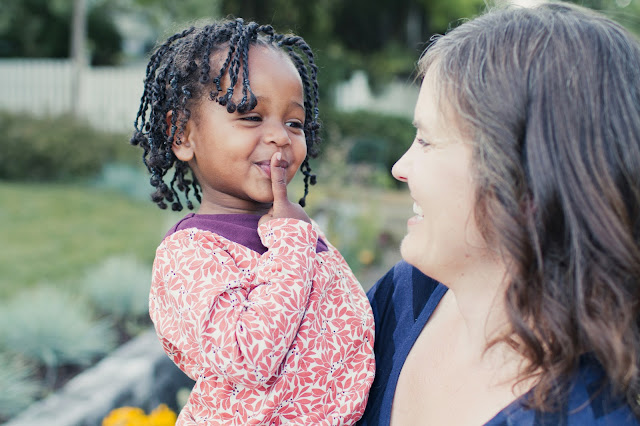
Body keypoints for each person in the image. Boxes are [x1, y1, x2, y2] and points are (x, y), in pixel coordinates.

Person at [358, 2, 640, 425]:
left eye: (427, 141)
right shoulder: (404, 297)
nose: (400, 167)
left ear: (525, 179)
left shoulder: (595, 413)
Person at [130, 19, 375, 425]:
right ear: (183, 134)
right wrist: (294, 242)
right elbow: (248, 355)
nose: (280, 136)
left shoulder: (289, 230)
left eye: (294, 123)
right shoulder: (191, 253)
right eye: (250, 116)